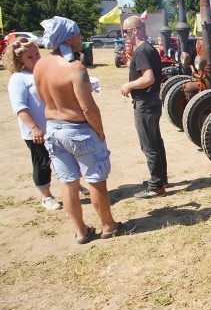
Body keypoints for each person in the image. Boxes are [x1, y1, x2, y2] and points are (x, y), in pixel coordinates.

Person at [34, 16, 135, 244]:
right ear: (68, 39)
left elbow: (41, 98)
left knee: (67, 183)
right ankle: (109, 225)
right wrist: (99, 131)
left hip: (53, 128)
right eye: (78, 34)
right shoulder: (74, 68)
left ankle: (81, 231)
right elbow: (87, 107)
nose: (81, 38)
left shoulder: (40, 65)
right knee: (96, 180)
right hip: (78, 130)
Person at [4, 37, 61, 210]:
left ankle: (70, 185)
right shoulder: (18, 79)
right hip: (37, 132)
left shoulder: (42, 72)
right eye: (30, 57)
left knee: (62, 159)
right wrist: (34, 127)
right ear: (19, 60)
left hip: (55, 127)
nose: (36, 58)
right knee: (42, 163)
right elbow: (20, 107)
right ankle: (46, 196)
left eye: (37, 54)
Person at [119, 16, 168, 198]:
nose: (124, 35)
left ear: (135, 30)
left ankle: (156, 185)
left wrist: (129, 85)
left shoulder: (141, 51)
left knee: (149, 145)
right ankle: (161, 179)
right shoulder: (149, 48)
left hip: (145, 103)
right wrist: (130, 64)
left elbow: (148, 79)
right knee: (156, 142)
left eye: (125, 31)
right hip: (153, 101)